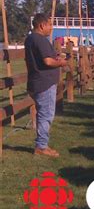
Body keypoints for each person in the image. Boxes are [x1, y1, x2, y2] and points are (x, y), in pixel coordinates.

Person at [24, 13, 69, 157]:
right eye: (49, 25)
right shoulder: (40, 40)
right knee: (46, 115)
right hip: (44, 83)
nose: (51, 28)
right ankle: (41, 146)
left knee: (42, 113)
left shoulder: (30, 39)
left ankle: (41, 143)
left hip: (36, 81)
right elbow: (48, 62)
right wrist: (61, 62)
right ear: (42, 25)